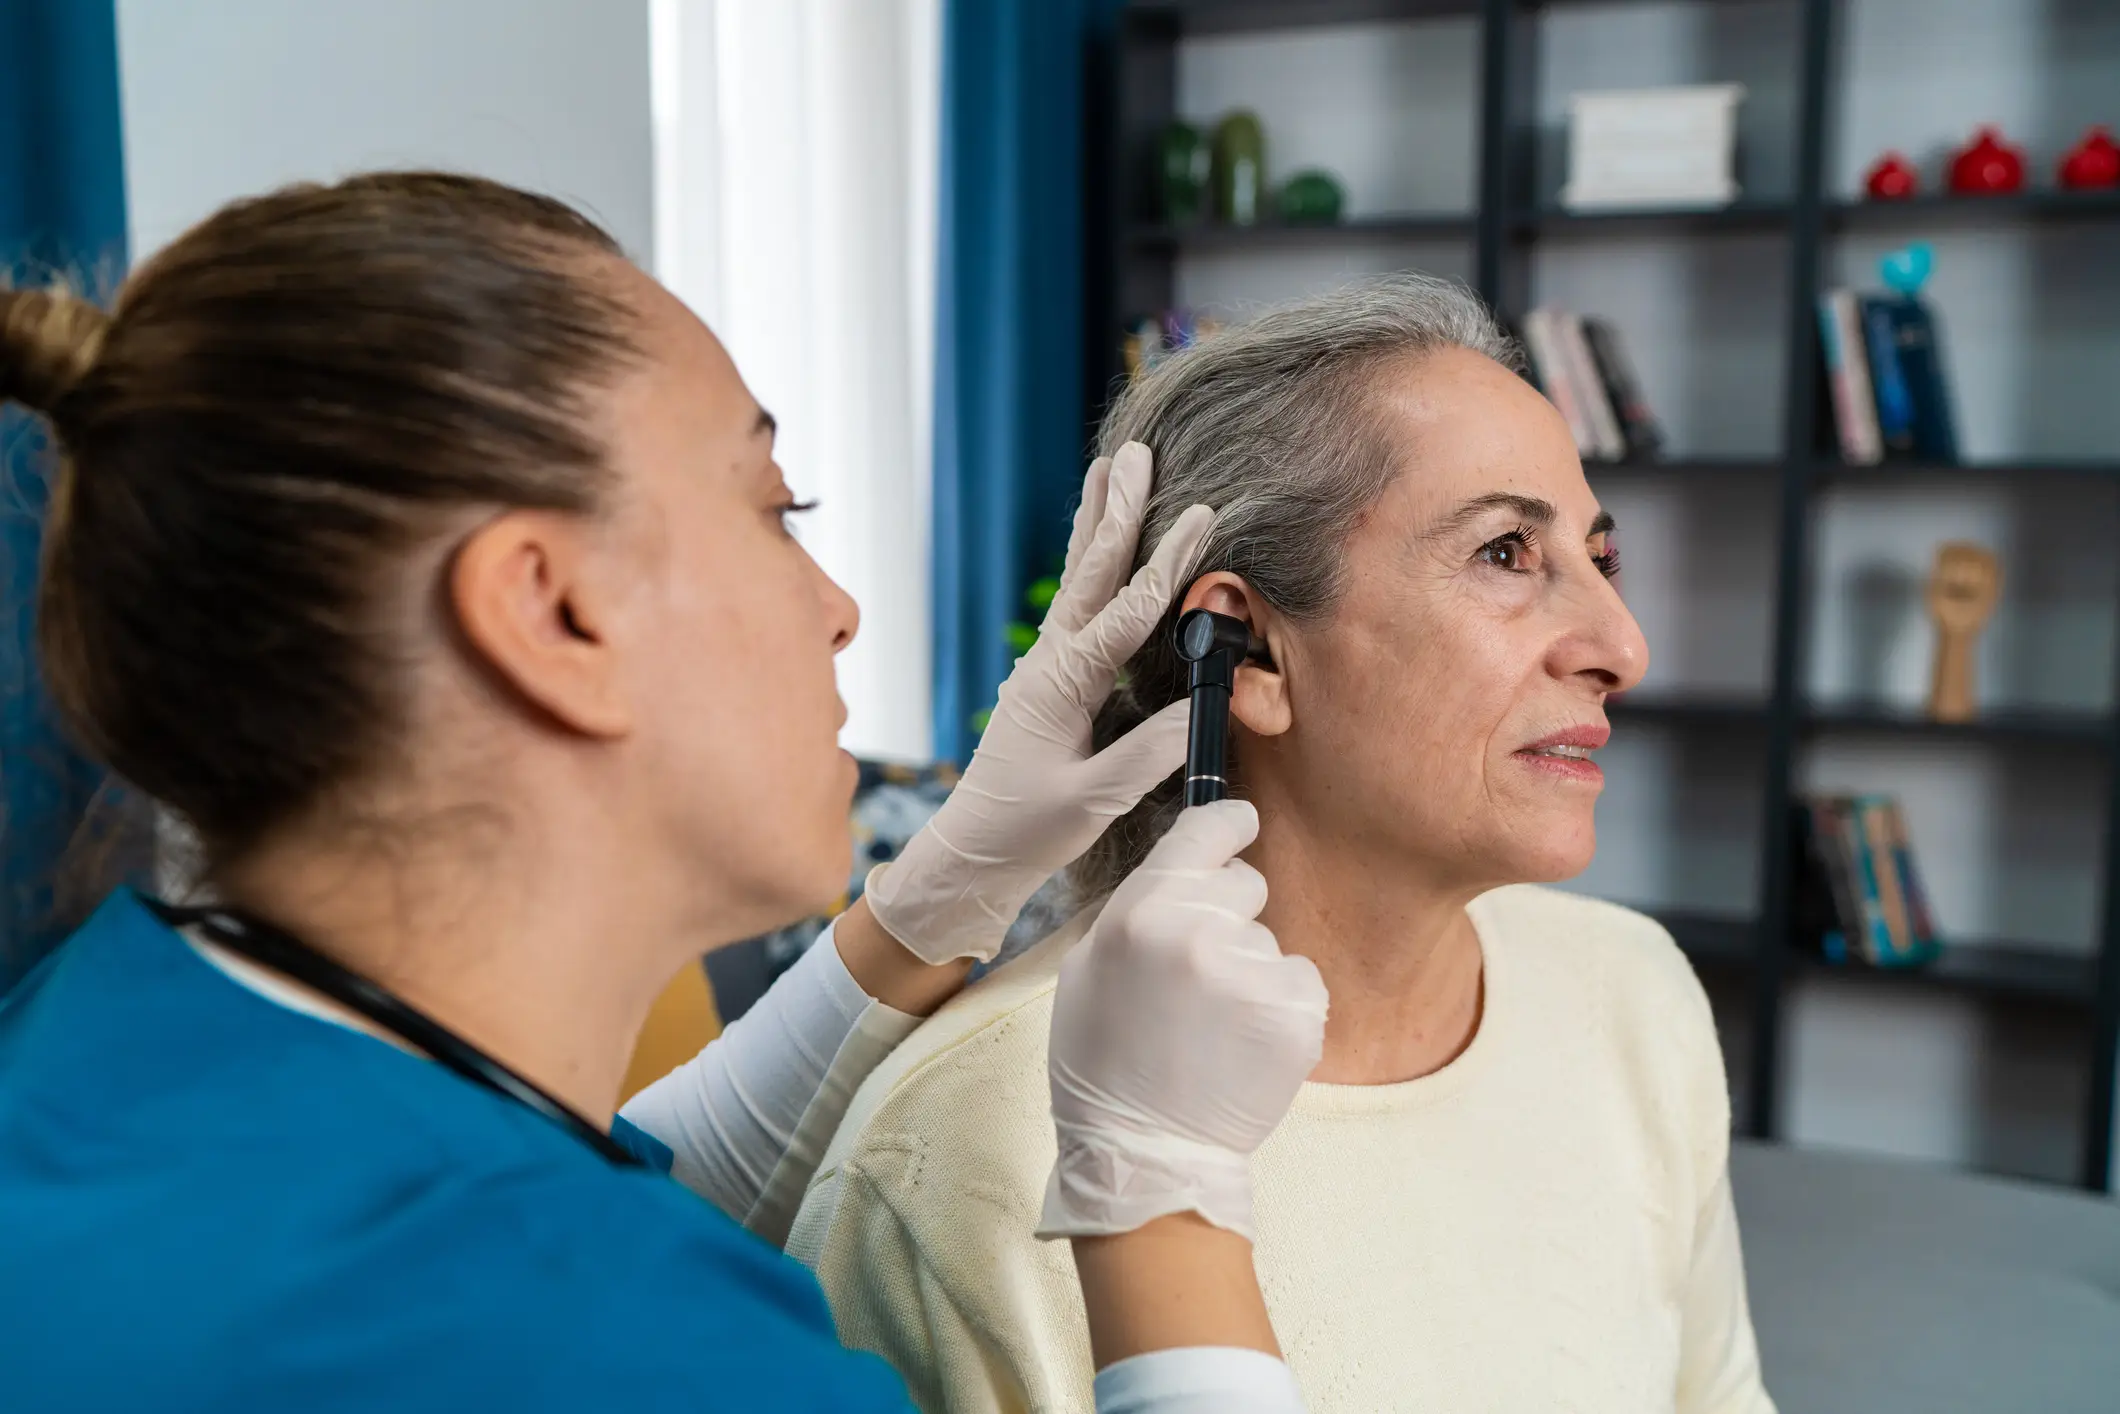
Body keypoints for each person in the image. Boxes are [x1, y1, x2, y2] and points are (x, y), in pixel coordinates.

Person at [0, 172, 1328, 1412]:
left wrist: (942, 889)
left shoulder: (100, 1025)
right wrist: (1162, 1186)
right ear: (552, 611)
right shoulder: (641, 1355)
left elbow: (561, 1177)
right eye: (775, 504)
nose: (841, 608)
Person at [791, 273, 1778, 1413]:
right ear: (1245, 648)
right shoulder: (960, 1153)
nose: (1621, 645)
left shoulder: (1630, 995)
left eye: (1597, 561)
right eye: (1506, 552)